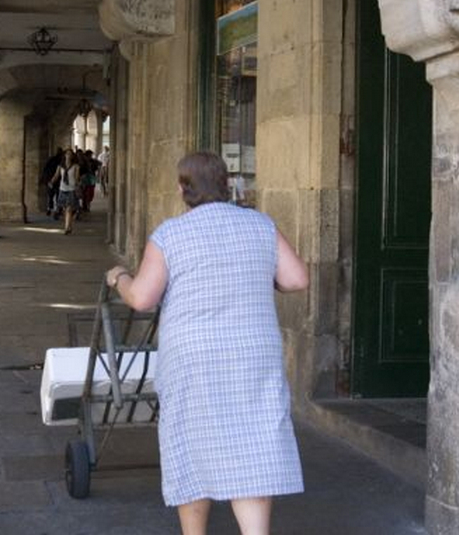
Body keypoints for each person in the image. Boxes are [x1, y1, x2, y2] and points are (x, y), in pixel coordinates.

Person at [105, 151, 308, 535]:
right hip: (253, 356)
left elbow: (143, 298)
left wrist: (119, 278)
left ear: (184, 189)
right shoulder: (260, 226)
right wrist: (264, 277)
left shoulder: (169, 234)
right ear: (227, 184)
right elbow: (297, 279)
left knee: (191, 444)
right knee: (254, 447)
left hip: (193, 360)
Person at [49, 148, 81, 234]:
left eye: (70, 154)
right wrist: (51, 182)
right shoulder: (60, 166)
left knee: (69, 209)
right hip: (62, 189)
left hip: (72, 189)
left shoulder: (76, 166)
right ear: (64, 155)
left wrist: (78, 184)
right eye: (67, 154)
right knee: (64, 209)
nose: (68, 155)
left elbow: (77, 178)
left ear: (72, 156)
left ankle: (66, 227)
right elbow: (56, 176)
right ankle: (69, 225)